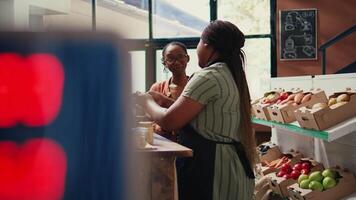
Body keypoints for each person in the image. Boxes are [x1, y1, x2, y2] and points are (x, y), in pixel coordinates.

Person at [136, 20, 257, 200]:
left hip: (212, 169)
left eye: (199, 42)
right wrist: (163, 100)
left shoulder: (208, 76)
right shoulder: (228, 73)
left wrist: (146, 101)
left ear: (206, 44)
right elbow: (204, 116)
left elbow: (169, 121)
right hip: (226, 166)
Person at [149, 41, 190, 141]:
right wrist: (162, 127)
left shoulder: (195, 85)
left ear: (187, 58)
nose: (176, 62)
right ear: (164, 62)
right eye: (170, 58)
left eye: (180, 56)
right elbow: (150, 121)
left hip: (192, 145)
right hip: (165, 147)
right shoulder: (157, 88)